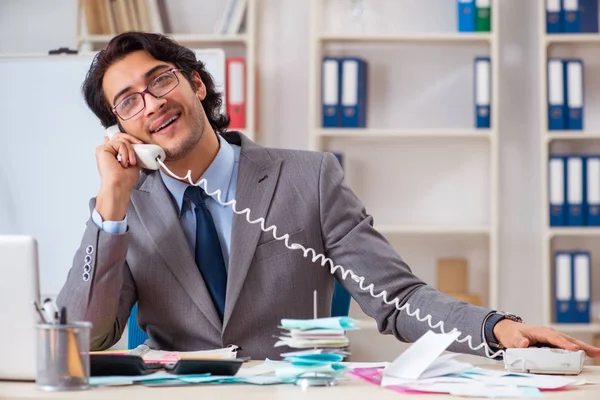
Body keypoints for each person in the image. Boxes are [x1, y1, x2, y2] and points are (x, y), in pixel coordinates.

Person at [57, 32, 600, 361]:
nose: (150, 104)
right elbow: (85, 340)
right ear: (119, 131)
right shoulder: (122, 209)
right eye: (128, 102)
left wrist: (496, 328)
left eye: (161, 81)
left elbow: (396, 299)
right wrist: (111, 206)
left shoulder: (309, 178)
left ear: (197, 85)